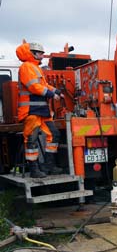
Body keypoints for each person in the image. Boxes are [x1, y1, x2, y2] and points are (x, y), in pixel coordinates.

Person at [16, 41, 63, 178]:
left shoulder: (35, 68)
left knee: (54, 134)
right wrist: (51, 94)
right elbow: (34, 87)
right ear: (32, 53)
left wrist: (57, 91)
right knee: (31, 139)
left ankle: (49, 166)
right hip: (31, 111)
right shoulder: (26, 67)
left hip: (41, 111)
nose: (42, 56)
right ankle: (34, 170)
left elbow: (44, 85)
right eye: (40, 53)